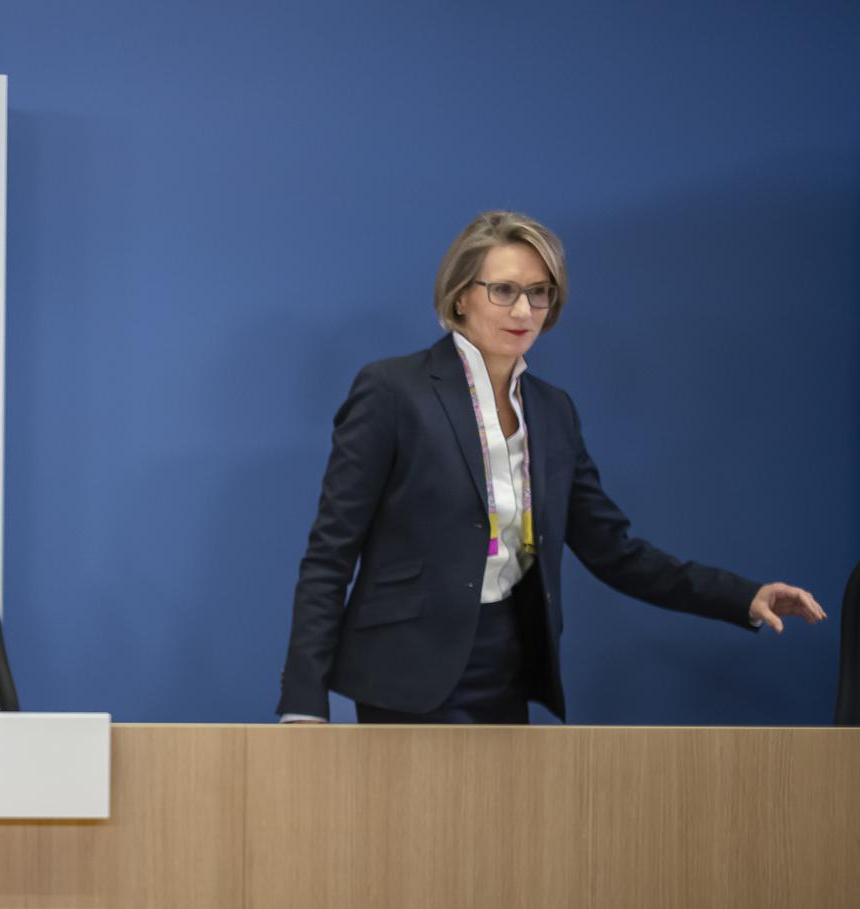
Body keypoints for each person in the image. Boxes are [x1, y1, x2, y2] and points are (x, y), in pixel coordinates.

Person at [278, 210, 823, 724]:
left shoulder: (552, 410)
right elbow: (331, 551)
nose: (523, 311)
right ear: (461, 295)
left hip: (508, 663)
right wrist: (304, 700)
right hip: (407, 667)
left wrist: (741, 597)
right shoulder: (393, 390)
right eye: (504, 290)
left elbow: (615, 551)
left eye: (538, 293)